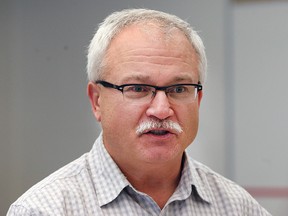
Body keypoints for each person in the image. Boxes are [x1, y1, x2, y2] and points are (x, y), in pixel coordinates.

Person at [7, 8, 271, 215]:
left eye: (179, 89)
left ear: (198, 100)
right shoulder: (43, 209)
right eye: (138, 88)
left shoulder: (239, 207)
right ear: (97, 101)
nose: (161, 109)